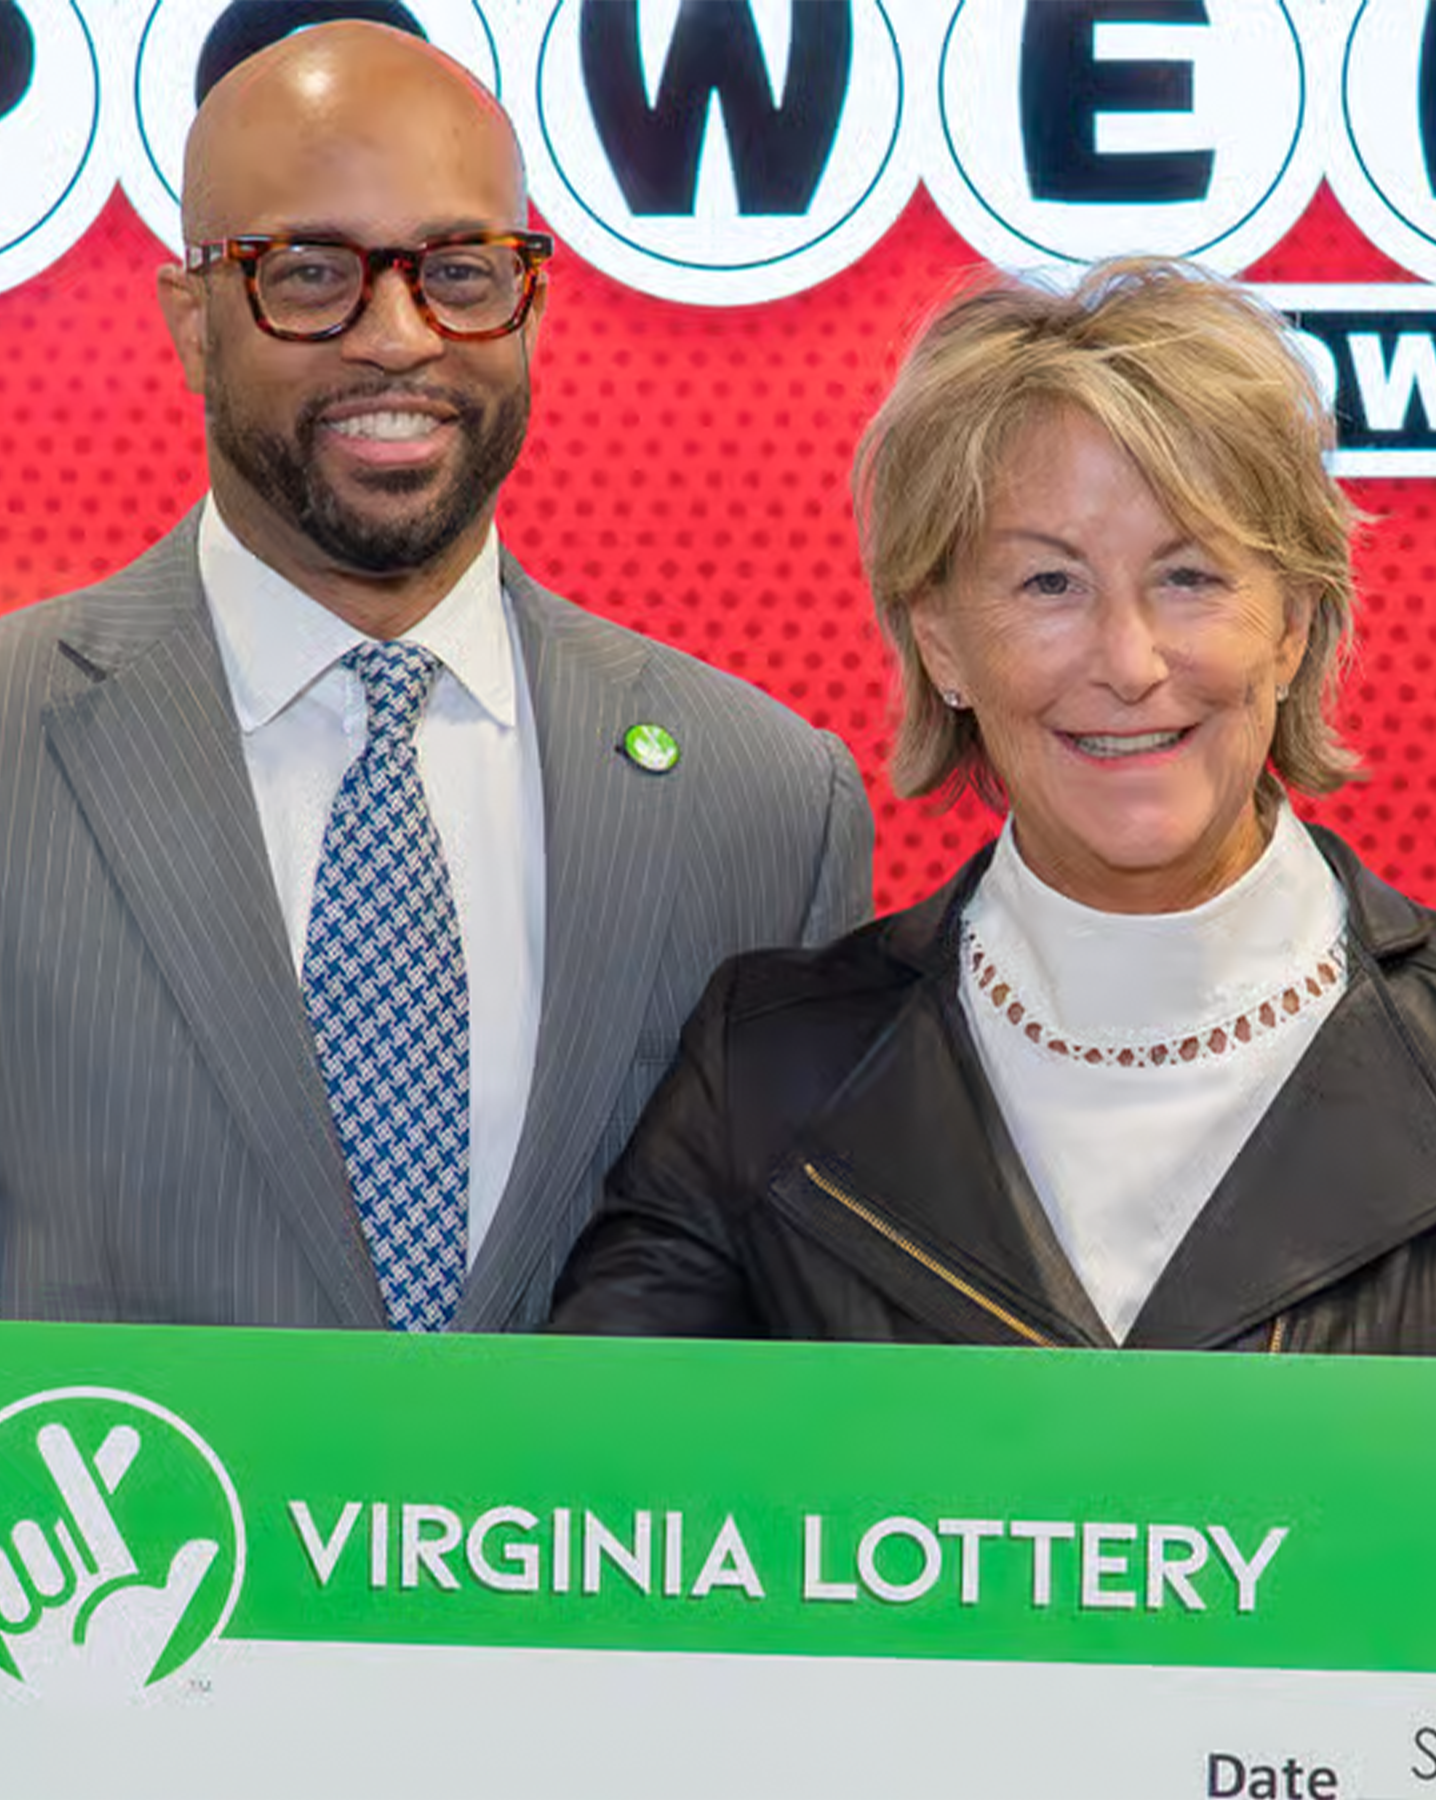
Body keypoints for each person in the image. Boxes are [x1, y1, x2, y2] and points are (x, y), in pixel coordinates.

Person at [0, 23, 871, 1331]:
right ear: (190, 322)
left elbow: (801, 1339)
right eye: (309, 274)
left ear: (532, 305)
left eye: (460, 271)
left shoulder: (767, 805)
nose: (401, 337)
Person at [551, 256, 1436, 1355]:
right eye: (1049, 583)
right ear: (942, 642)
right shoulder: (763, 1078)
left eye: (1191, 577)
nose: (1128, 662)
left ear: (1293, 625)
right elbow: (598, 1456)